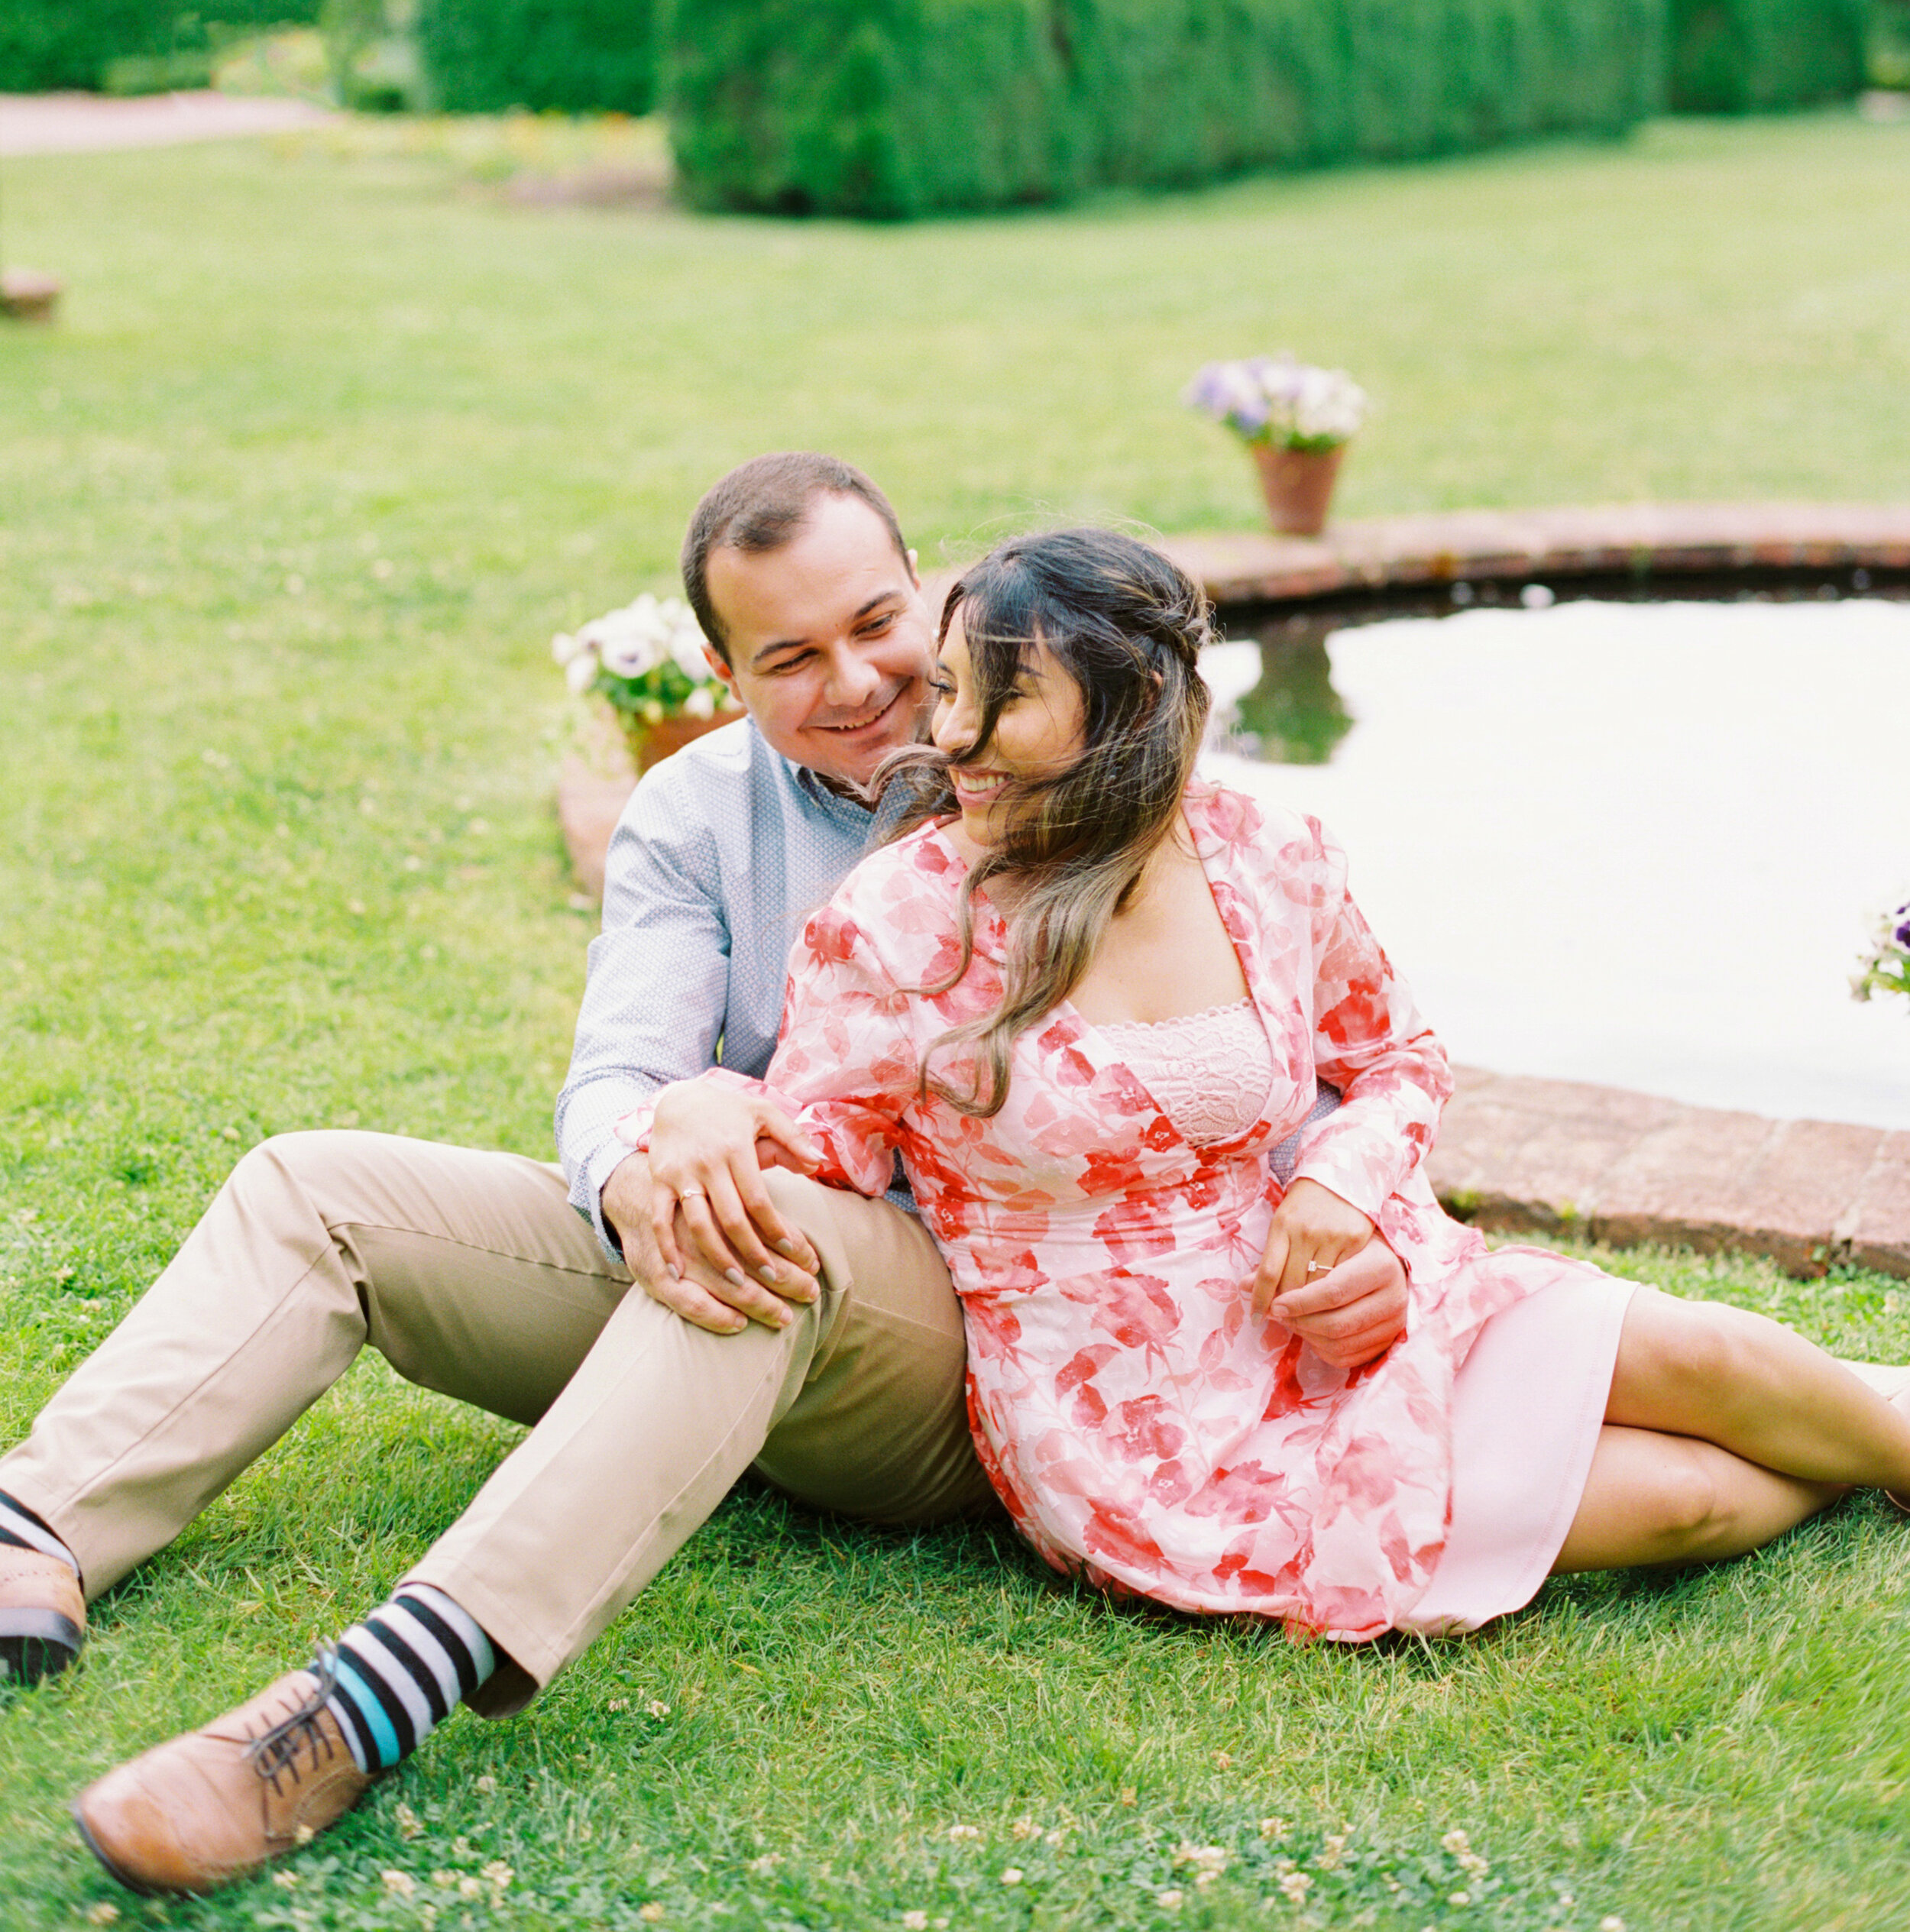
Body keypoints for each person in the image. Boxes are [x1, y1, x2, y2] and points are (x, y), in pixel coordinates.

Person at [0, 457, 1407, 1895]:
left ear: (932, 591)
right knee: (321, 1186)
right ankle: (43, 1518)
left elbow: (1315, 1056)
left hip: (1003, 1345)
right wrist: (650, 1155)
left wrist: (1361, 1217)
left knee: (768, 1223)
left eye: (877, 622)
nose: (857, 680)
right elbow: (619, 1075)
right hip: (745, 1245)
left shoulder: (1085, 770)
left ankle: (370, 1698)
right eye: (790, 656)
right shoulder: (691, 815)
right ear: (725, 672)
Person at [633, 527, 1910, 1641]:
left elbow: (1397, 1057)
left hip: (1351, 1299)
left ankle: (1882, 1437)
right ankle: (1869, 1431)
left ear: (1129, 704)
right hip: (1142, 1420)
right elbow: (820, 1148)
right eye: (955, 689)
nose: (949, 736)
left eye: (1004, 701)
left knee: (1710, 1353)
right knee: (1687, 1496)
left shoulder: (1266, 853)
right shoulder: (902, 923)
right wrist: (697, 1107)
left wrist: (1344, 1184)